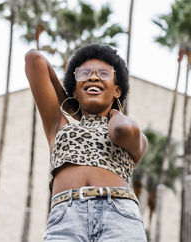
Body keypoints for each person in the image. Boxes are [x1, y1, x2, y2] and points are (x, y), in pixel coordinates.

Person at [25, 43, 148, 242]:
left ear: (117, 90)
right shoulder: (59, 126)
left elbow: (121, 130)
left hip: (120, 216)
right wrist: (72, 100)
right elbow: (34, 59)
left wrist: (114, 110)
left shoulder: (133, 133)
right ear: (73, 90)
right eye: (84, 73)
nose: (93, 76)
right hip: (65, 219)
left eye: (103, 73)